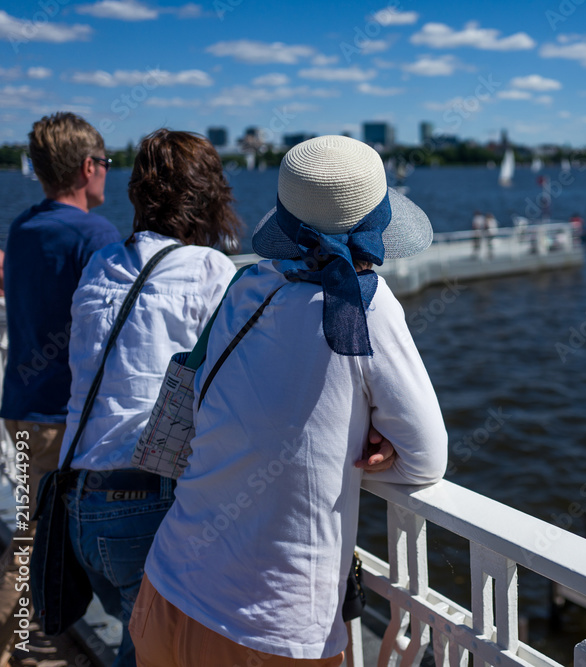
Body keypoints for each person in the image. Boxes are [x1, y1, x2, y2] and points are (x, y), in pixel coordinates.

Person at [134, 135, 448, 666]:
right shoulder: (365, 307)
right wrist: (367, 454)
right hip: (269, 630)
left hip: (166, 588)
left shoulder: (244, 285)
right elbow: (428, 458)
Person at [58, 129, 242, 667]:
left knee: (140, 640)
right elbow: (234, 387)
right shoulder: (209, 270)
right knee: (158, 656)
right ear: (208, 197)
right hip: (147, 504)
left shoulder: (102, 263)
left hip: (80, 501)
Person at [0, 112, 120, 659]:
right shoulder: (97, 234)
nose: (107, 176)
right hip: (67, 418)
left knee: (33, 531)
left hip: (22, 409)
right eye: (106, 164)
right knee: (52, 542)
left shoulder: (23, 228)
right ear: (88, 166)